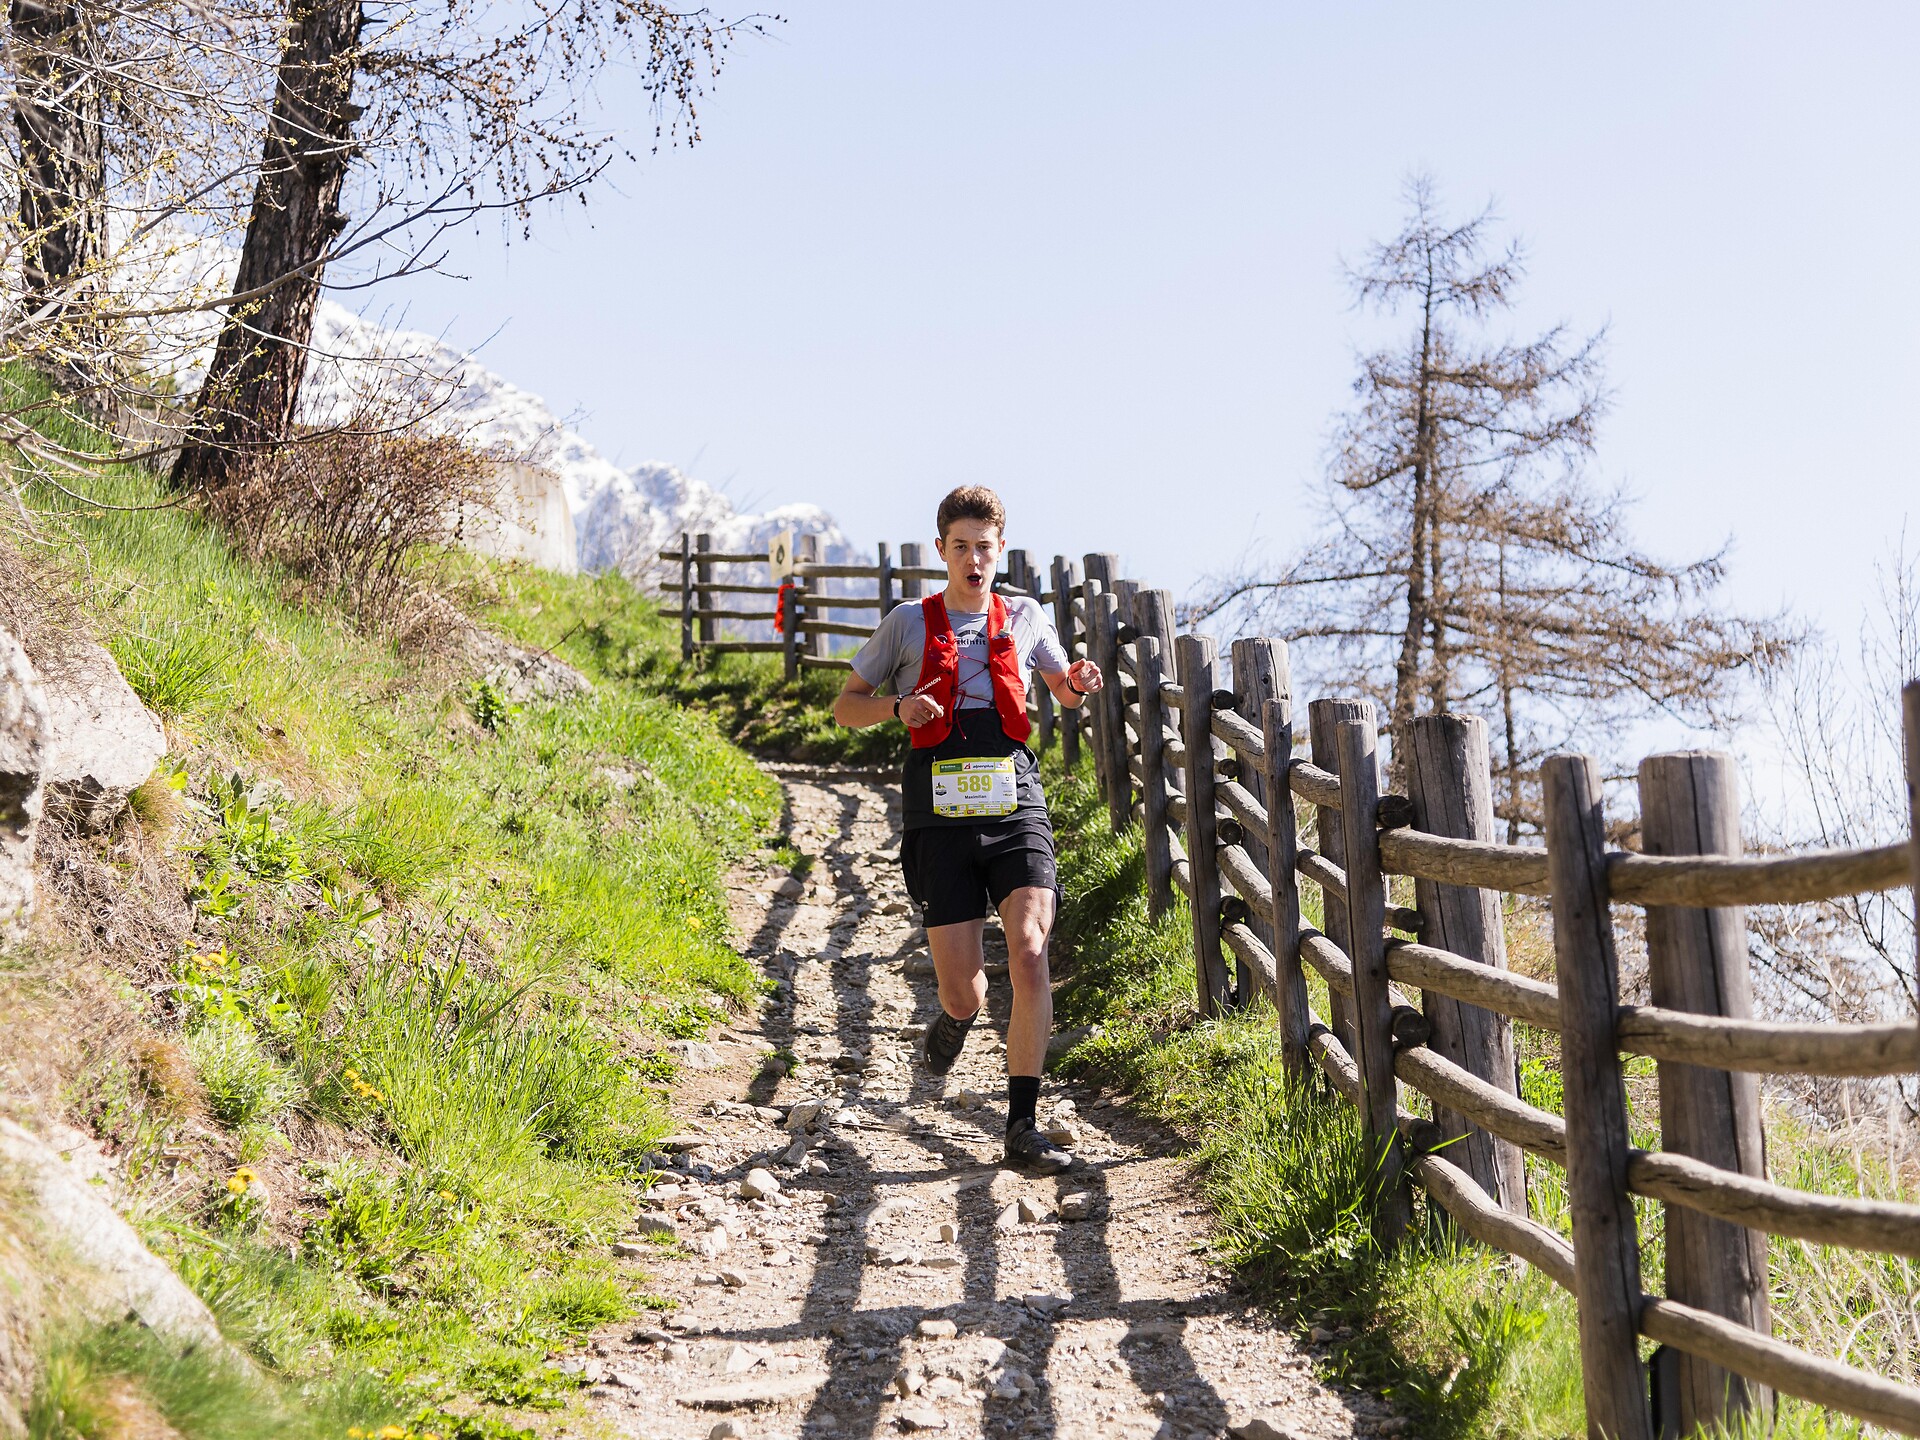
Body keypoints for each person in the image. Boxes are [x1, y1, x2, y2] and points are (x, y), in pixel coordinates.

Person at [832, 485, 1103, 1174]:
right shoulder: (908, 623)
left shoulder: (1026, 614)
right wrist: (898, 707)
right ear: (942, 550)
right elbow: (845, 707)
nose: (973, 559)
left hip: (1014, 800)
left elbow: (1063, 689)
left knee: (1031, 949)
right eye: (961, 547)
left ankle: (1022, 1124)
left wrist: (1078, 680)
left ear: (1000, 549)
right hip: (940, 813)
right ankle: (955, 1019)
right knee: (965, 990)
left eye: (984, 547)